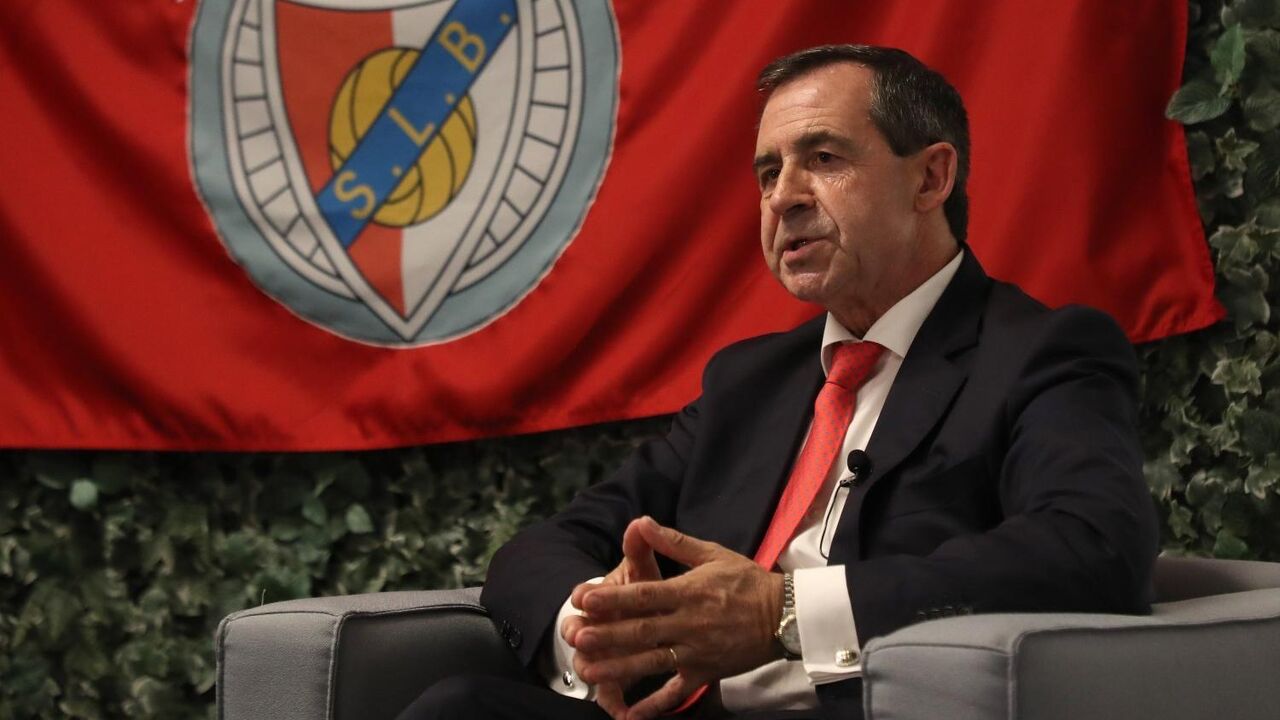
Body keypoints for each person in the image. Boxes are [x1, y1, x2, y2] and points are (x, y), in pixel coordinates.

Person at [398, 44, 1159, 720]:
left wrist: (783, 612)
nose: (783, 197)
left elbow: (1093, 549)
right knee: (458, 708)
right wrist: (598, 632)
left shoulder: (1041, 353)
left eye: (823, 158)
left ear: (930, 177)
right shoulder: (749, 381)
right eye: (769, 173)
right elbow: (551, 544)